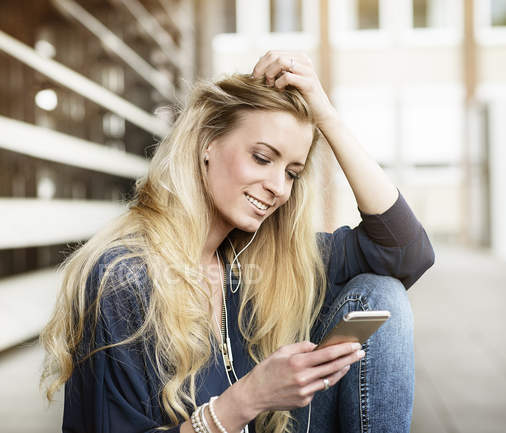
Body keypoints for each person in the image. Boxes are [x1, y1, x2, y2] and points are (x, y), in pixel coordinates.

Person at [39, 51, 435, 433]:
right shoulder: (125, 277)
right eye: (263, 158)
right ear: (207, 142)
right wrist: (248, 398)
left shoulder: (260, 261)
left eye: (292, 172)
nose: (278, 188)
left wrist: (326, 115)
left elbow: (406, 252)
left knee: (381, 293)